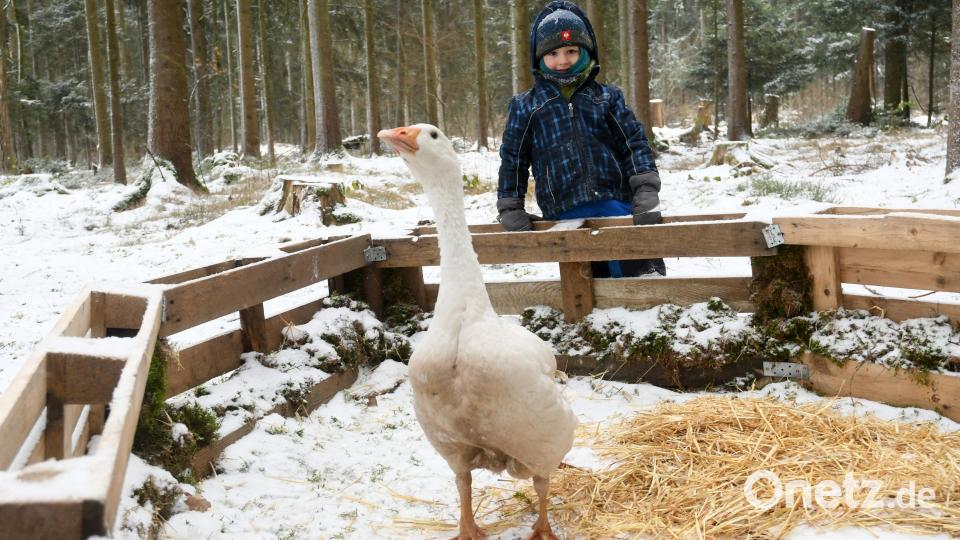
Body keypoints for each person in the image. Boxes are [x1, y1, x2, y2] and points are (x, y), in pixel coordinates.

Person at [496, 0, 665, 277]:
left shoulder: (606, 98)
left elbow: (633, 144)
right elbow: (513, 158)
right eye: (553, 54)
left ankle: (650, 304)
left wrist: (646, 188)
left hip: (616, 205)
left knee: (638, 272)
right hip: (565, 213)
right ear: (539, 58)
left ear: (586, 51)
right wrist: (510, 204)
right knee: (587, 285)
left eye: (571, 51)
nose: (562, 60)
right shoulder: (527, 106)